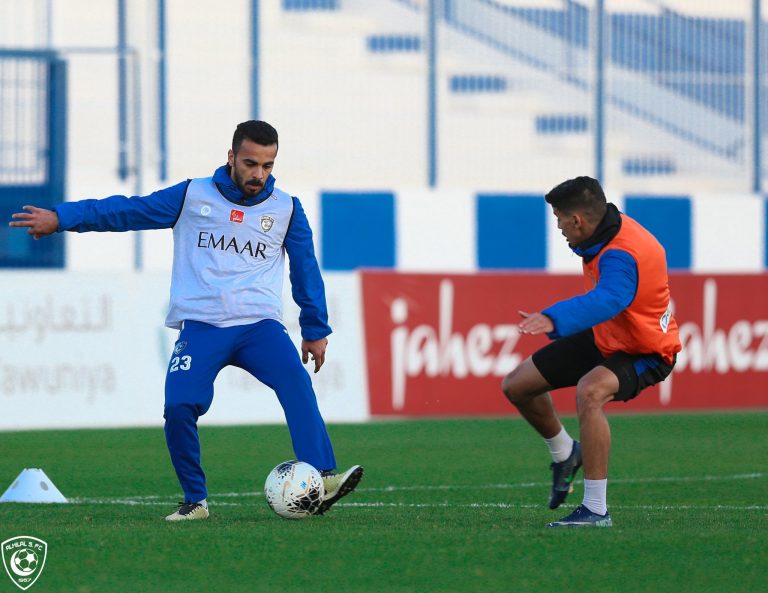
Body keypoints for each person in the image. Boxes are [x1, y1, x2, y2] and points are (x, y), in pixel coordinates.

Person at [9, 120, 363, 521]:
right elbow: (126, 210)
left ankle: (322, 476)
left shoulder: (287, 209)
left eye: (267, 166)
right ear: (231, 157)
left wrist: (315, 329)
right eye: (250, 164)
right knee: (178, 406)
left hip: (259, 327)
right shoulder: (192, 195)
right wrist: (62, 217)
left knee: (295, 381)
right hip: (202, 327)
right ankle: (196, 500)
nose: (258, 175)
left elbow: (306, 270)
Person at [501, 176, 680, 528]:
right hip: (606, 336)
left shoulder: (622, 252)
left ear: (577, 220)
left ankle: (596, 510)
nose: (559, 228)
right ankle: (566, 453)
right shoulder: (606, 229)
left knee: (591, 391)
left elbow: (610, 298)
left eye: (560, 220)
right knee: (517, 386)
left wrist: (554, 318)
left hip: (645, 349)